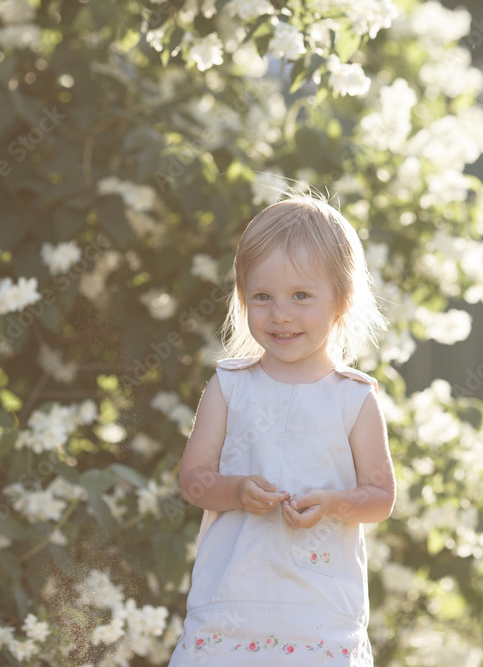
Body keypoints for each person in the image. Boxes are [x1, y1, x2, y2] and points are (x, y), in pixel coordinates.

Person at [169, 194, 396, 666]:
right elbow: (193, 480)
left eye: (301, 296)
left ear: (342, 300)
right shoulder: (230, 387)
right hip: (228, 617)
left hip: (319, 622)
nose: (281, 314)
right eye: (262, 297)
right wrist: (236, 490)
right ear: (243, 298)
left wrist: (332, 502)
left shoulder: (354, 398)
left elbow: (379, 498)